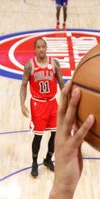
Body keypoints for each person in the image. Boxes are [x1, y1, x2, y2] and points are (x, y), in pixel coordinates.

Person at [20, 38, 64, 178]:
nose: (41, 49)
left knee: (55, 134)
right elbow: (23, 85)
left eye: (43, 47)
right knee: (38, 136)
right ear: (35, 49)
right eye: (38, 47)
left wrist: (68, 99)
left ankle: (48, 159)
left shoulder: (54, 64)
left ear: (46, 48)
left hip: (52, 102)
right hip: (38, 104)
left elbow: (62, 83)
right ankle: (34, 162)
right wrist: (22, 103)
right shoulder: (29, 66)